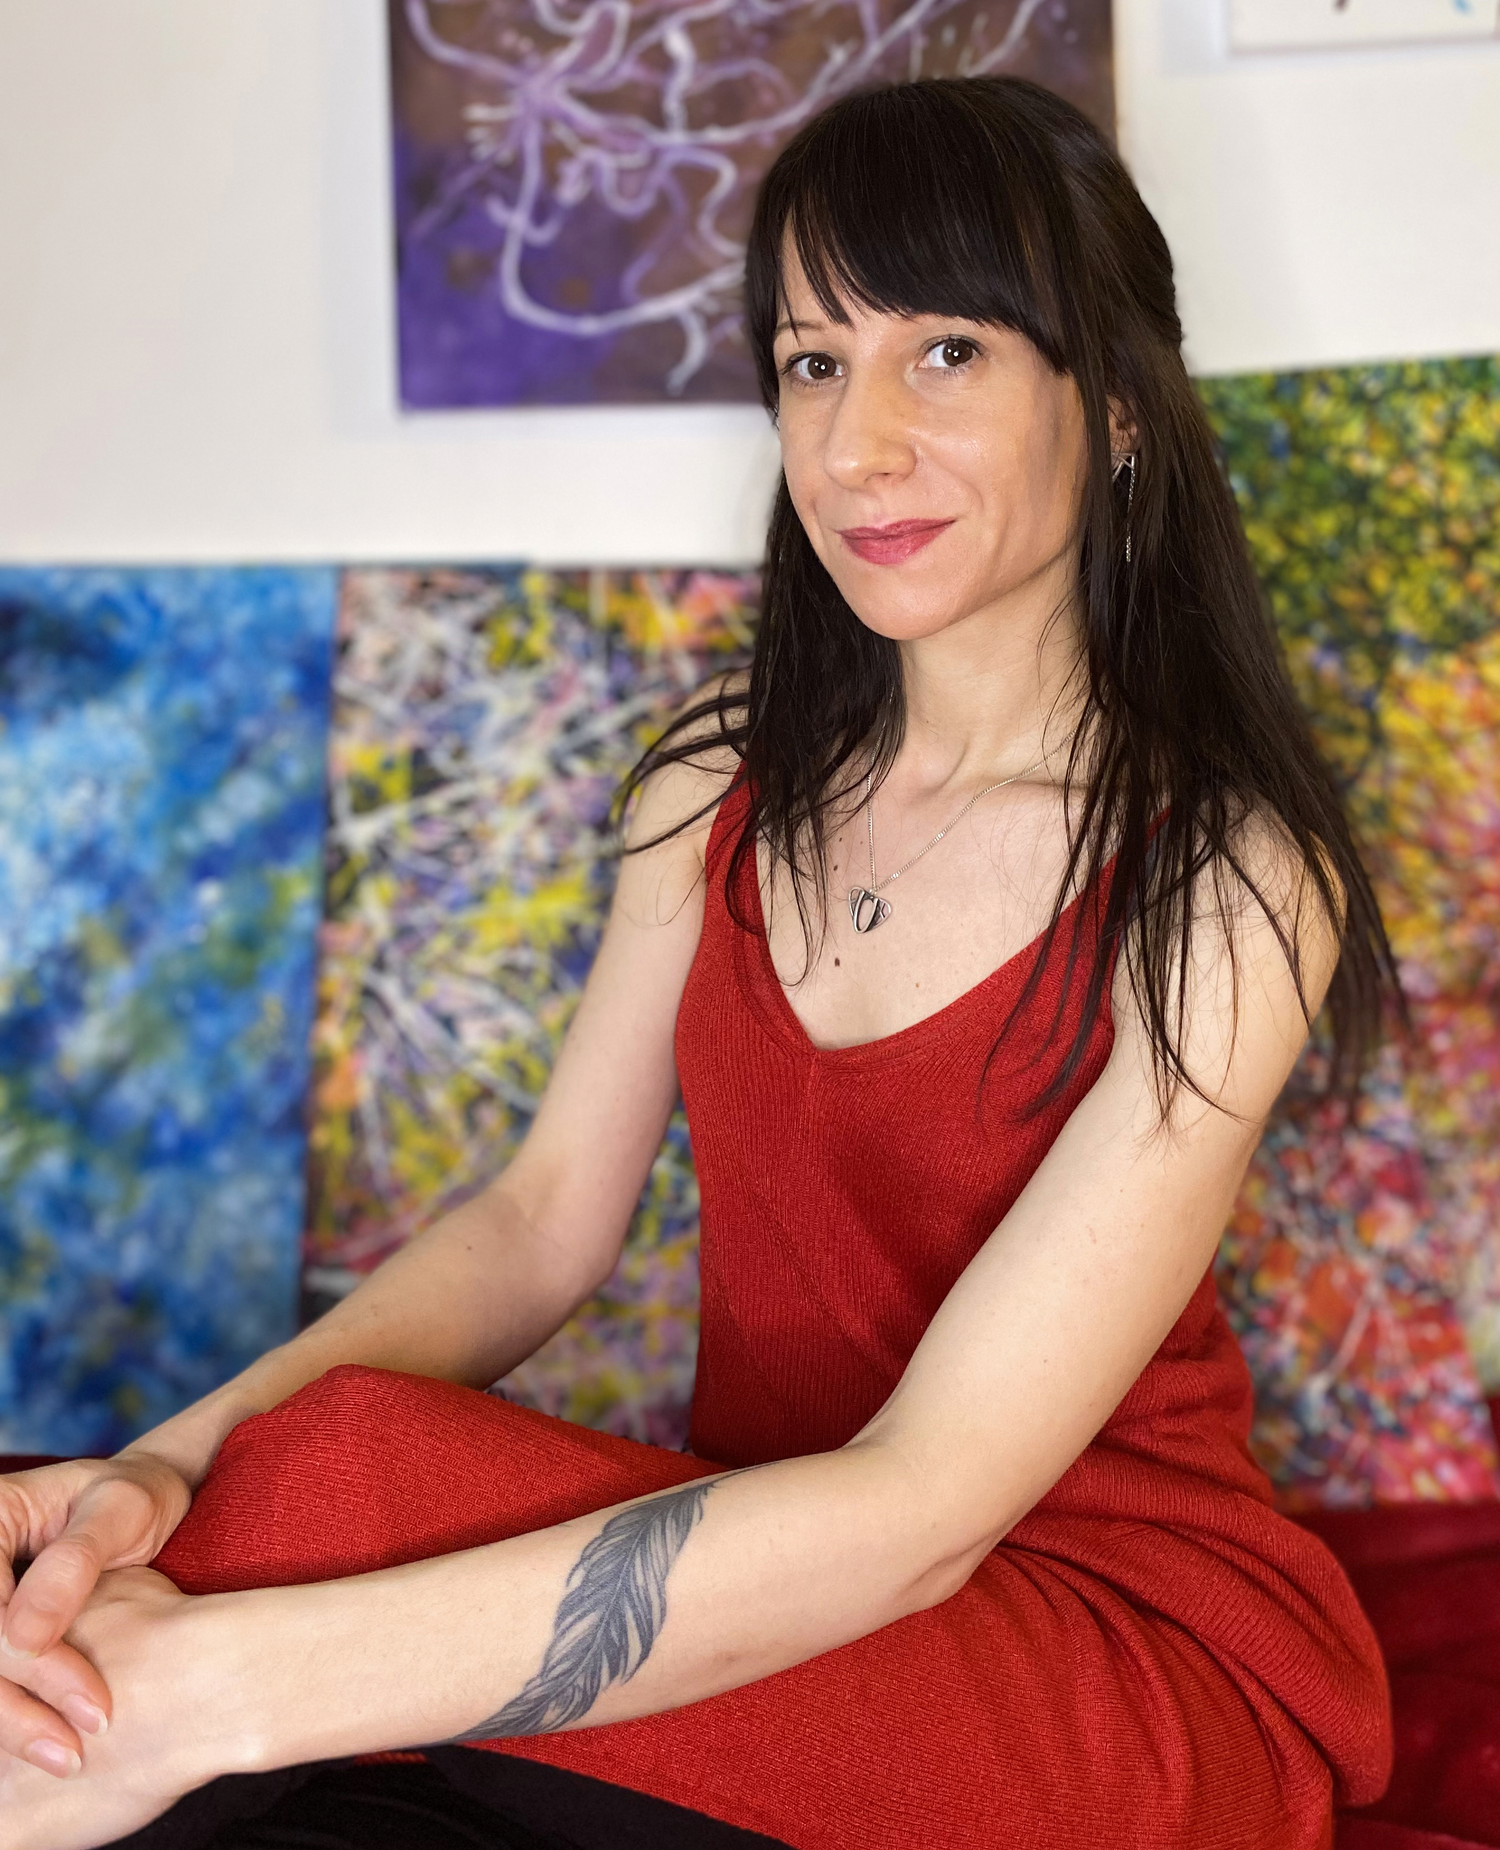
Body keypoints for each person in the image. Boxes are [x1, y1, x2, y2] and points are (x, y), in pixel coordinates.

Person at [0, 75, 1395, 1850]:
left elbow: (925, 1505)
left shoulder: (1228, 877)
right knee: (306, 1495)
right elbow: (537, 1225)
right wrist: (158, 1466)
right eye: (813, 363)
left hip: (1098, 1666)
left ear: (1115, 402)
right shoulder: (714, 794)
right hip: (760, 1587)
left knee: (310, 1523)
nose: (857, 445)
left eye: (946, 353)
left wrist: (213, 1682)